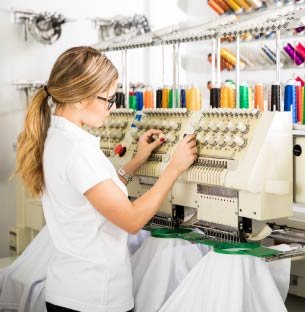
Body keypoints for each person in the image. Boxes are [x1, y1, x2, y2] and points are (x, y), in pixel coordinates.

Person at [15, 46, 197, 312]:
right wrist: (174, 168)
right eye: (108, 99)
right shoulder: (78, 150)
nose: (111, 108)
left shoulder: (55, 137)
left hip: (68, 290)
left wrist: (136, 161)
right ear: (79, 98)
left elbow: (95, 198)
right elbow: (132, 220)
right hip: (93, 298)